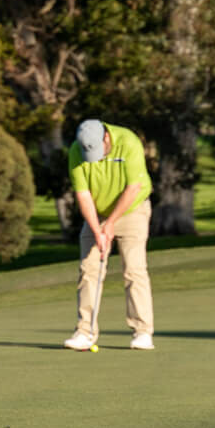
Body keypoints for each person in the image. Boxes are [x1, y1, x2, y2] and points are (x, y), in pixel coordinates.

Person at [63, 118, 154, 351]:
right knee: (89, 270)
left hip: (132, 209)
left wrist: (111, 223)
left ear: (106, 138)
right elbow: (83, 195)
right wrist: (97, 229)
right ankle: (85, 331)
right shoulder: (76, 151)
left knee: (134, 269)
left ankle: (142, 332)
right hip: (97, 213)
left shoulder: (128, 142)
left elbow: (133, 187)